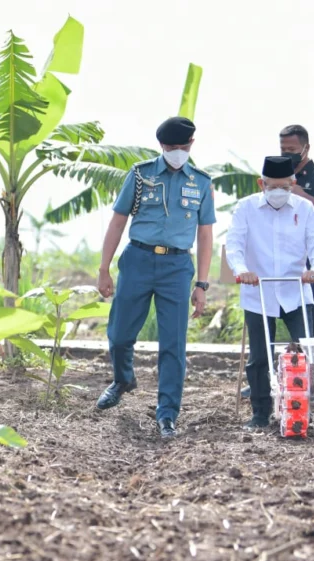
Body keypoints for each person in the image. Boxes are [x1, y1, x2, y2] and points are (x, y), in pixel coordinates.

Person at [96, 116, 215, 439]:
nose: (177, 152)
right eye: (170, 147)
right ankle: (123, 379)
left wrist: (202, 284)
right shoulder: (140, 175)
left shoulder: (202, 182)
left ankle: (167, 414)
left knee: (173, 344)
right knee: (120, 334)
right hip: (137, 259)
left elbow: (205, 236)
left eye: (182, 146)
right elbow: (118, 221)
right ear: (161, 146)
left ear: (191, 144)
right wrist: (104, 268)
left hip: (177, 267)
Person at [239, 125, 314, 395]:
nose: (287, 154)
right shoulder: (276, 175)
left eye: (292, 150)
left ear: (306, 148)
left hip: (312, 263)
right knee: (264, 327)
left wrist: (304, 196)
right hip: (275, 268)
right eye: (283, 150)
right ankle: (263, 380)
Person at [226, 157, 314, 429]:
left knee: (306, 350)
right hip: (258, 290)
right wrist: (242, 270)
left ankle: (299, 408)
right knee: (259, 356)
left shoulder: (305, 209)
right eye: (273, 186)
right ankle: (260, 413)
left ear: (293, 184)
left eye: (285, 186)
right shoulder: (245, 208)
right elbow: (234, 244)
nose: (279, 192)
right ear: (262, 184)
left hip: (296, 289)